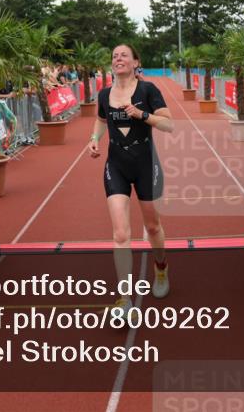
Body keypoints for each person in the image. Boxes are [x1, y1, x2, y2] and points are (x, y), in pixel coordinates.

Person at [88, 44, 174, 315]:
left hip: (146, 165)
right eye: (114, 56)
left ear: (136, 62)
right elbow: (101, 120)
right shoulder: (104, 94)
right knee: (121, 233)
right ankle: (124, 299)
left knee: (152, 226)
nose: (118, 58)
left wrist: (142, 115)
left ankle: (161, 268)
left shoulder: (148, 91)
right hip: (116, 166)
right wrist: (93, 139)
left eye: (124, 55)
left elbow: (169, 124)